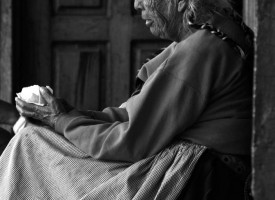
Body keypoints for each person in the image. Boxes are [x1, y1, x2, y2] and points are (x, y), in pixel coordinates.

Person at [0, 0, 253, 199]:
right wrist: (71, 114)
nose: (136, 5)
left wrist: (60, 120)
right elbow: (134, 115)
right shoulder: (211, 35)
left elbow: (132, 139)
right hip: (197, 167)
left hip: (200, 179)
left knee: (31, 142)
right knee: (38, 137)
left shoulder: (202, 48)